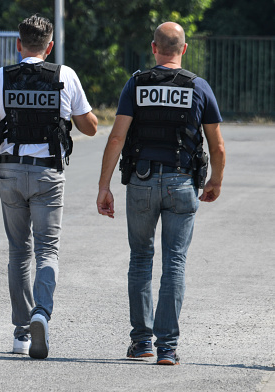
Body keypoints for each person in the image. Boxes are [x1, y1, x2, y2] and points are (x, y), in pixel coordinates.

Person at [96, 22, 226, 365]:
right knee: (175, 263)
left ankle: (142, 343)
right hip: (183, 183)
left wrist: (103, 186)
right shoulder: (199, 87)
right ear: (183, 49)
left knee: (140, 259)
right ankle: (167, 347)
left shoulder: (136, 83)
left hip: (140, 181)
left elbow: (116, 138)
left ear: (154, 48)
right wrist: (216, 181)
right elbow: (218, 145)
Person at [0, 15, 98, 359]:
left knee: (18, 251)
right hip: (48, 173)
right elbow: (90, 127)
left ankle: (21, 332)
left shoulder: (2, 77)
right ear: (50, 46)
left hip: (11, 172)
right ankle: (41, 313)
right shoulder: (65, 75)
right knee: (47, 250)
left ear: (19, 44)